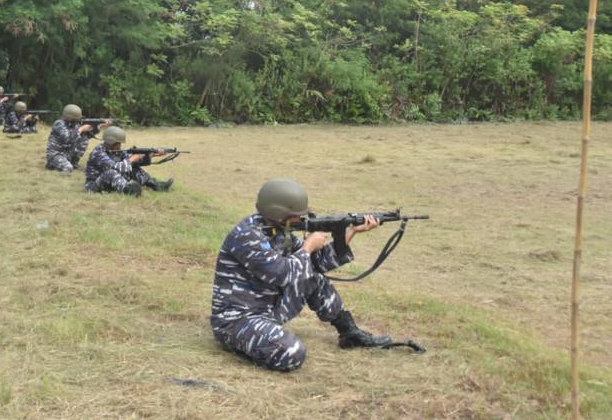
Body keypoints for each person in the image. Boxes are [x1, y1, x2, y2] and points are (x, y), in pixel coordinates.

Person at [210, 178, 394, 372]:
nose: (301, 220)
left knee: (313, 276)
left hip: (266, 312)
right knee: (292, 353)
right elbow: (281, 274)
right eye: (296, 215)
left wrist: (350, 232)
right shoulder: (247, 235)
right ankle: (245, 344)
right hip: (237, 320)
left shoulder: (278, 230)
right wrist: (308, 246)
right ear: (279, 213)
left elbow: (316, 263)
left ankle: (349, 332)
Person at [83, 126, 173, 195]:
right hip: (94, 185)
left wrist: (151, 155)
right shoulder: (98, 152)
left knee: (133, 166)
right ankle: (128, 190)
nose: (119, 145)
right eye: (118, 143)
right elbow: (114, 167)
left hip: (111, 181)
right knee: (111, 172)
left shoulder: (115, 150)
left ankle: (155, 185)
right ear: (110, 141)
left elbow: (133, 160)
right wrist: (131, 160)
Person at [45, 105, 104, 172]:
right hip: (56, 155)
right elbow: (68, 139)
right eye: (76, 118)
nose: (78, 119)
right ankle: (52, 164)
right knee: (68, 168)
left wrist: (99, 126)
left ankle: (74, 162)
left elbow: (88, 136)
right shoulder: (59, 124)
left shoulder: (74, 124)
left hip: (67, 154)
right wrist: (81, 129)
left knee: (84, 139)